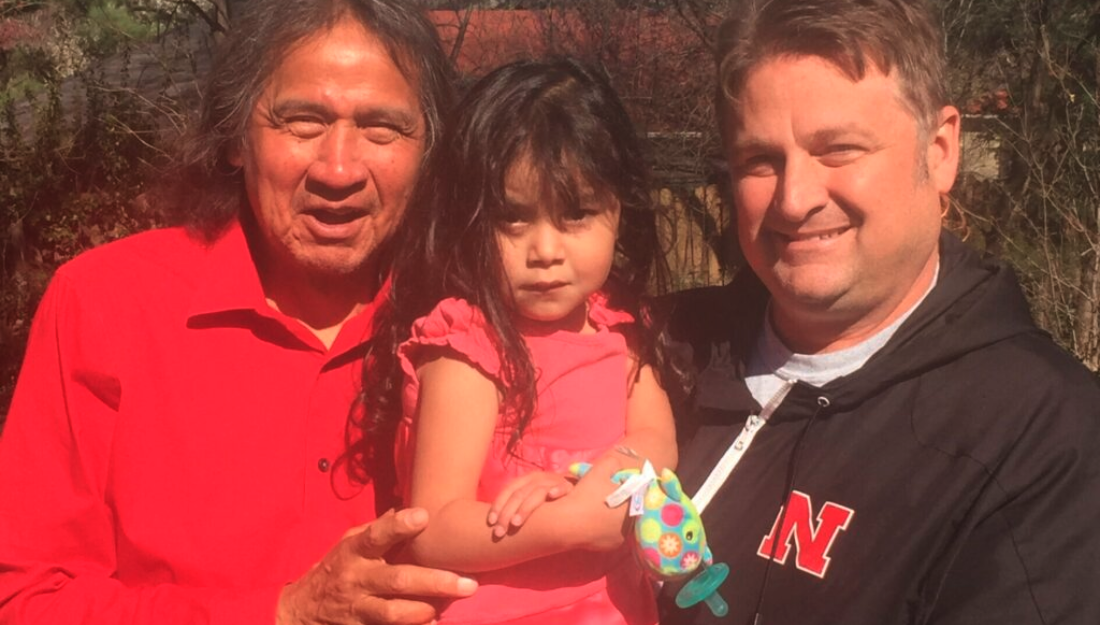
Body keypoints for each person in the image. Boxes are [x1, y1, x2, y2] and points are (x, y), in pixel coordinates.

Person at [0, 1, 480, 623]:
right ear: (234, 138)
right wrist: (279, 613)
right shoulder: (104, 304)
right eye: (302, 121)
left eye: (382, 128)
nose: (339, 169)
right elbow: (27, 599)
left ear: (428, 156)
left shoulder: (472, 324)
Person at [659, 0, 1099, 623]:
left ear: (941, 150)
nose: (794, 198)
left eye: (838, 149)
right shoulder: (647, 352)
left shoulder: (1045, 437)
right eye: (760, 160)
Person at [360, 58, 682, 624]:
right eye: (512, 218)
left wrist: (594, 484)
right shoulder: (471, 347)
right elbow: (431, 527)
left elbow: (657, 441)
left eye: (576, 215)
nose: (545, 250)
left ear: (619, 213)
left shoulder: (620, 329)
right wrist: (573, 522)